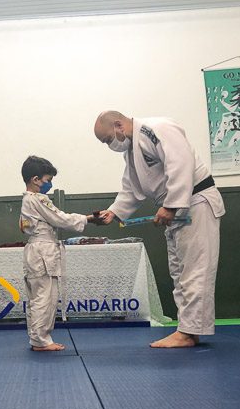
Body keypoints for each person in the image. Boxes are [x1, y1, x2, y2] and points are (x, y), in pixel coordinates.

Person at [93, 111, 225, 348]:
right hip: (176, 209)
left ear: (118, 125)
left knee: (195, 271)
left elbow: (181, 162)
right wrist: (114, 212)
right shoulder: (132, 150)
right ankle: (188, 330)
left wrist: (171, 204)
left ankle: (188, 332)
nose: (108, 145)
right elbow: (132, 188)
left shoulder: (158, 128)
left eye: (107, 139)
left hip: (195, 202)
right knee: (180, 274)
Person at [20, 156, 99, 351]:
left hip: (35, 250)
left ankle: (37, 338)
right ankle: (40, 341)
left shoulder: (26, 201)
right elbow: (60, 219)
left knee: (37, 298)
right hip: (43, 252)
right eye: (47, 180)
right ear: (35, 179)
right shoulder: (38, 199)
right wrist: (89, 219)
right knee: (45, 297)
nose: (50, 184)